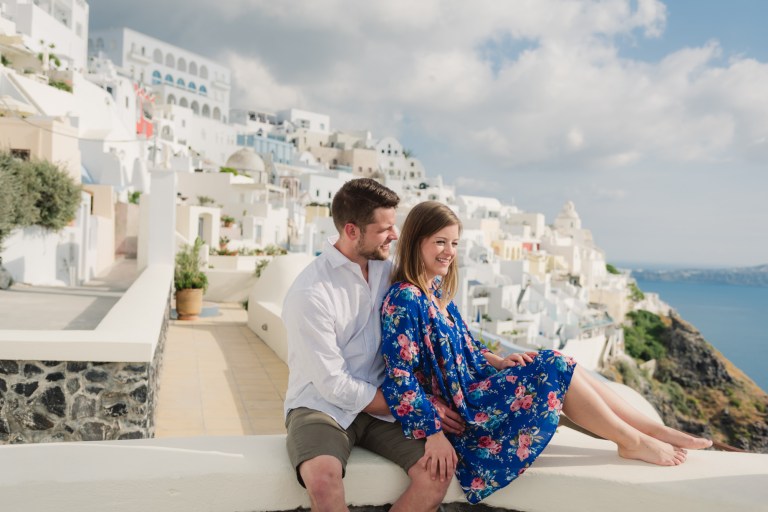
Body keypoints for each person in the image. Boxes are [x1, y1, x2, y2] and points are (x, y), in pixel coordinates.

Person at [380, 201, 713, 504]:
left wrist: (497, 360)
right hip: (464, 410)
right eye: (440, 241)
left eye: (454, 243)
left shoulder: (435, 291)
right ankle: (631, 440)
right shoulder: (405, 299)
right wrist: (434, 431)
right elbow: (399, 375)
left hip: (473, 388)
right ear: (416, 241)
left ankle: (649, 430)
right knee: (553, 364)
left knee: (557, 360)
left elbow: (466, 347)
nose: (449, 251)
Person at [282, 180, 454, 512]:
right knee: (322, 478)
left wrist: (493, 359)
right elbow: (332, 384)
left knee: (436, 473)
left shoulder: (391, 273)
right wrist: (415, 410)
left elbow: (439, 324)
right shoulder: (311, 293)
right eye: (385, 228)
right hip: (321, 406)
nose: (395, 235)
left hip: (383, 406)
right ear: (351, 230)